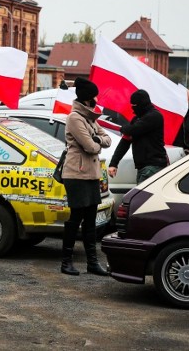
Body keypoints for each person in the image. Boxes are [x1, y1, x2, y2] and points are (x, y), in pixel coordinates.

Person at [61, 77, 111, 277]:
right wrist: (97, 142)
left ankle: (92, 262)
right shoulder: (75, 118)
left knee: (91, 220)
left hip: (91, 174)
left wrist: (97, 139)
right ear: (88, 98)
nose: (97, 100)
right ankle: (66, 262)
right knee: (76, 219)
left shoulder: (90, 117)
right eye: (94, 96)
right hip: (76, 174)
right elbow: (90, 147)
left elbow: (105, 139)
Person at [108, 89, 168, 184]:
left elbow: (131, 130)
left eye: (134, 106)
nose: (133, 108)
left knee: (141, 198)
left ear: (141, 104)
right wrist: (113, 163)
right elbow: (125, 142)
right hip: (143, 167)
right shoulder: (138, 119)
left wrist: (121, 128)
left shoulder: (154, 116)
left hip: (153, 166)